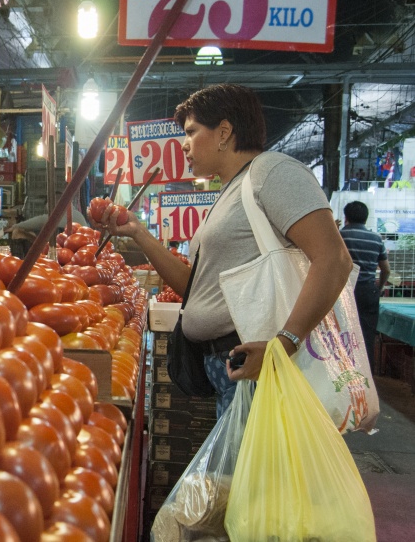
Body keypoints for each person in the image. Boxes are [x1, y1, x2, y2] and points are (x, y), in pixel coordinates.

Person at [91, 84, 353, 415]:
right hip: (231, 372)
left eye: (191, 132)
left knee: (260, 467)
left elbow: (334, 259)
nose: (184, 145)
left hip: (263, 369)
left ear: (224, 132)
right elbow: (195, 288)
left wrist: (284, 344)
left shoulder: (272, 172)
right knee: (242, 468)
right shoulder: (233, 189)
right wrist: (138, 233)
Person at [340, 201, 390, 369]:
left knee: (342, 330)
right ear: (366, 218)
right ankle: (365, 373)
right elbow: (386, 269)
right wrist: (379, 287)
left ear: (346, 217)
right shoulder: (376, 239)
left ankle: (342, 369)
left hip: (343, 291)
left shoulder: (340, 236)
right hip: (368, 291)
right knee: (366, 334)